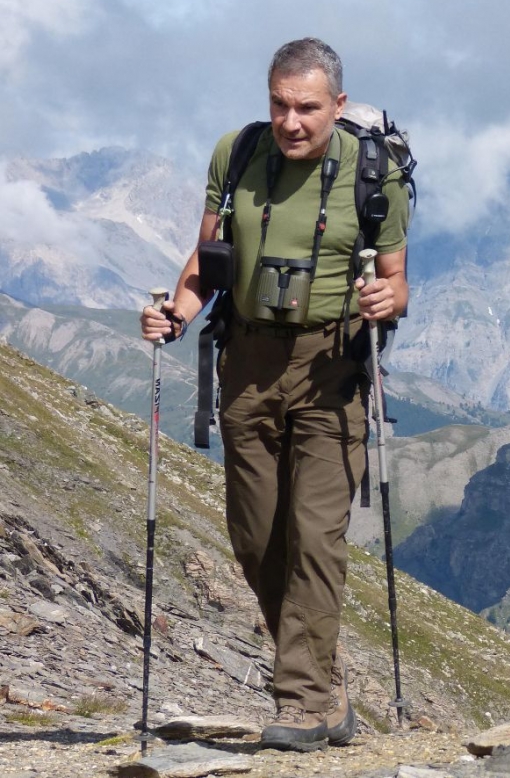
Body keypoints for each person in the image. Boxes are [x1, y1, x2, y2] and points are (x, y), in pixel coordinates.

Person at [140, 37, 409, 752]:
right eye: (279, 104)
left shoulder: (375, 173)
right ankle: (326, 684)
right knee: (257, 536)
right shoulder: (237, 154)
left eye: (308, 108)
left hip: (332, 370)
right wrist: (175, 312)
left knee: (315, 539)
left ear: (338, 106)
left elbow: (396, 279)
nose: (291, 121)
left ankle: (300, 702)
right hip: (247, 363)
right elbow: (208, 260)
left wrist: (386, 297)